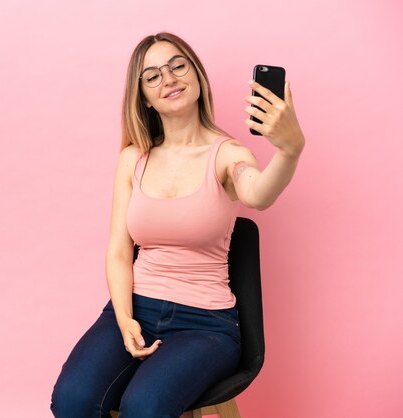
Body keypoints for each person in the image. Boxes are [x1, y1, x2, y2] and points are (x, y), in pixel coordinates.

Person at [50, 32, 305, 418]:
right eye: (152, 76)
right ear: (145, 98)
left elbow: (258, 194)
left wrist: (289, 150)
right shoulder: (132, 159)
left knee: (144, 409)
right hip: (136, 308)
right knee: (72, 402)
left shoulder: (228, 154)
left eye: (177, 66)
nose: (168, 78)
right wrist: (123, 318)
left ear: (198, 76)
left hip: (205, 325)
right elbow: (119, 251)